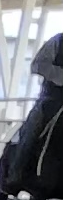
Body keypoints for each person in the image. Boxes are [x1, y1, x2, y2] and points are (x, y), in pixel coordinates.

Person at [12, 27, 63, 178]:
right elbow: (37, 65)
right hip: (53, 100)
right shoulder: (58, 41)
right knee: (33, 128)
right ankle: (16, 174)